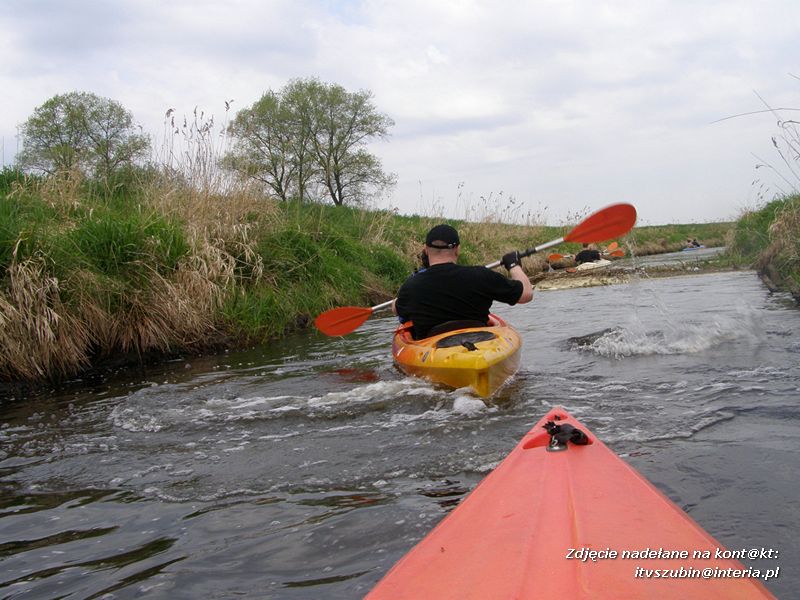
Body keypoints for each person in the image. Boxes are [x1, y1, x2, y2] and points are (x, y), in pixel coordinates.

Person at [392, 224, 533, 340]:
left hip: (433, 353)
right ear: (457, 249)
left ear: (426, 250)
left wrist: (398, 301)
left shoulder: (411, 286)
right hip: (481, 346)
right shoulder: (480, 275)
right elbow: (526, 294)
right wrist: (514, 265)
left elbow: (397, 310)